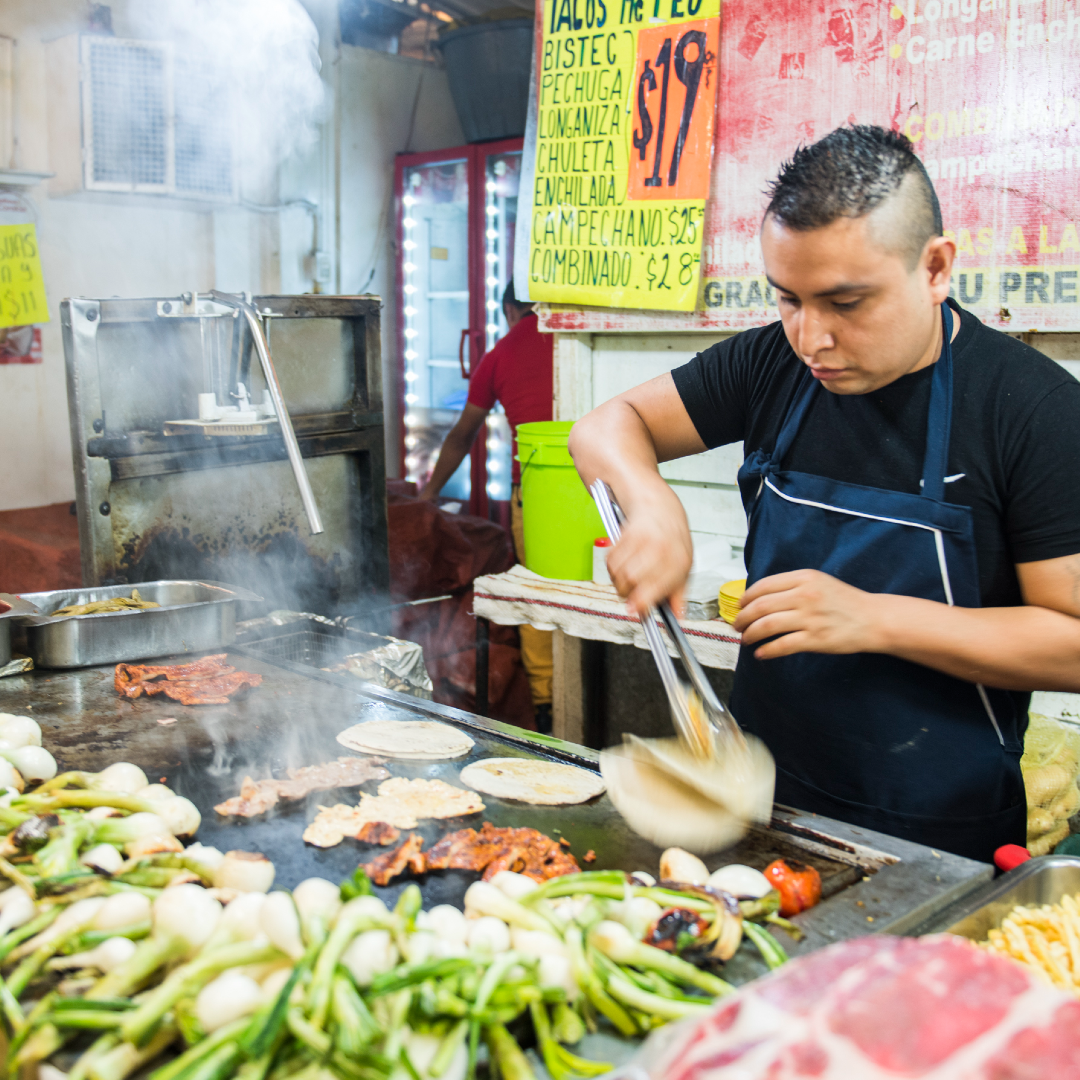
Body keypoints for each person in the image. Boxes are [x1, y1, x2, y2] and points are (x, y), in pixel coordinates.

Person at [569, 125, 1080, 863]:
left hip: (936, 836)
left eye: (847, 302)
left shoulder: (1030, 410)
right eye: (789, 300)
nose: (811, 338)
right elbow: (605, 427)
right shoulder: (771, 365)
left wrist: (874, 618)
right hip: (755, 801)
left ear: (935, 268)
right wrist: (651, 503)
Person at [421, 279, 555, 733]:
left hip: (536, 491)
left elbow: (463, 435)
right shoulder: (572, 336)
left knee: (537, 592)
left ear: (510, 310)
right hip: (595, 485)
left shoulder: (499, 354)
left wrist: (428, 494)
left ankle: (545, 705)